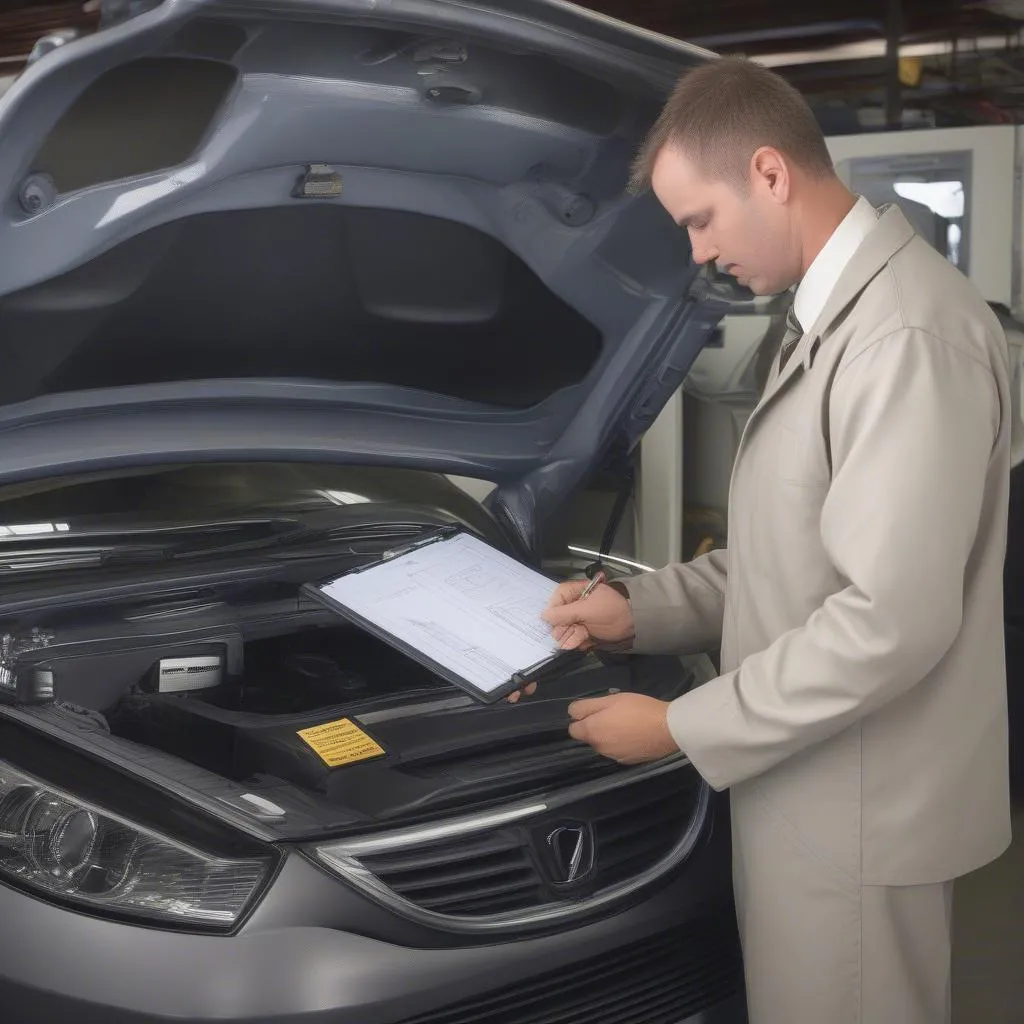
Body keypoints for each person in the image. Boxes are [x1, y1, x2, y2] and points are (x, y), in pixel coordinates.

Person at [510, 57, 1012, 1024]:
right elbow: (791, 558)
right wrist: (637, 612)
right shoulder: (830, 319)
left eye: (701, 220)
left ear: (771, 174)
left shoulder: (904, 336)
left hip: (861, 815)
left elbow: (887, 620)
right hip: (815, 791)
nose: (697, 255)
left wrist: (678, 729)